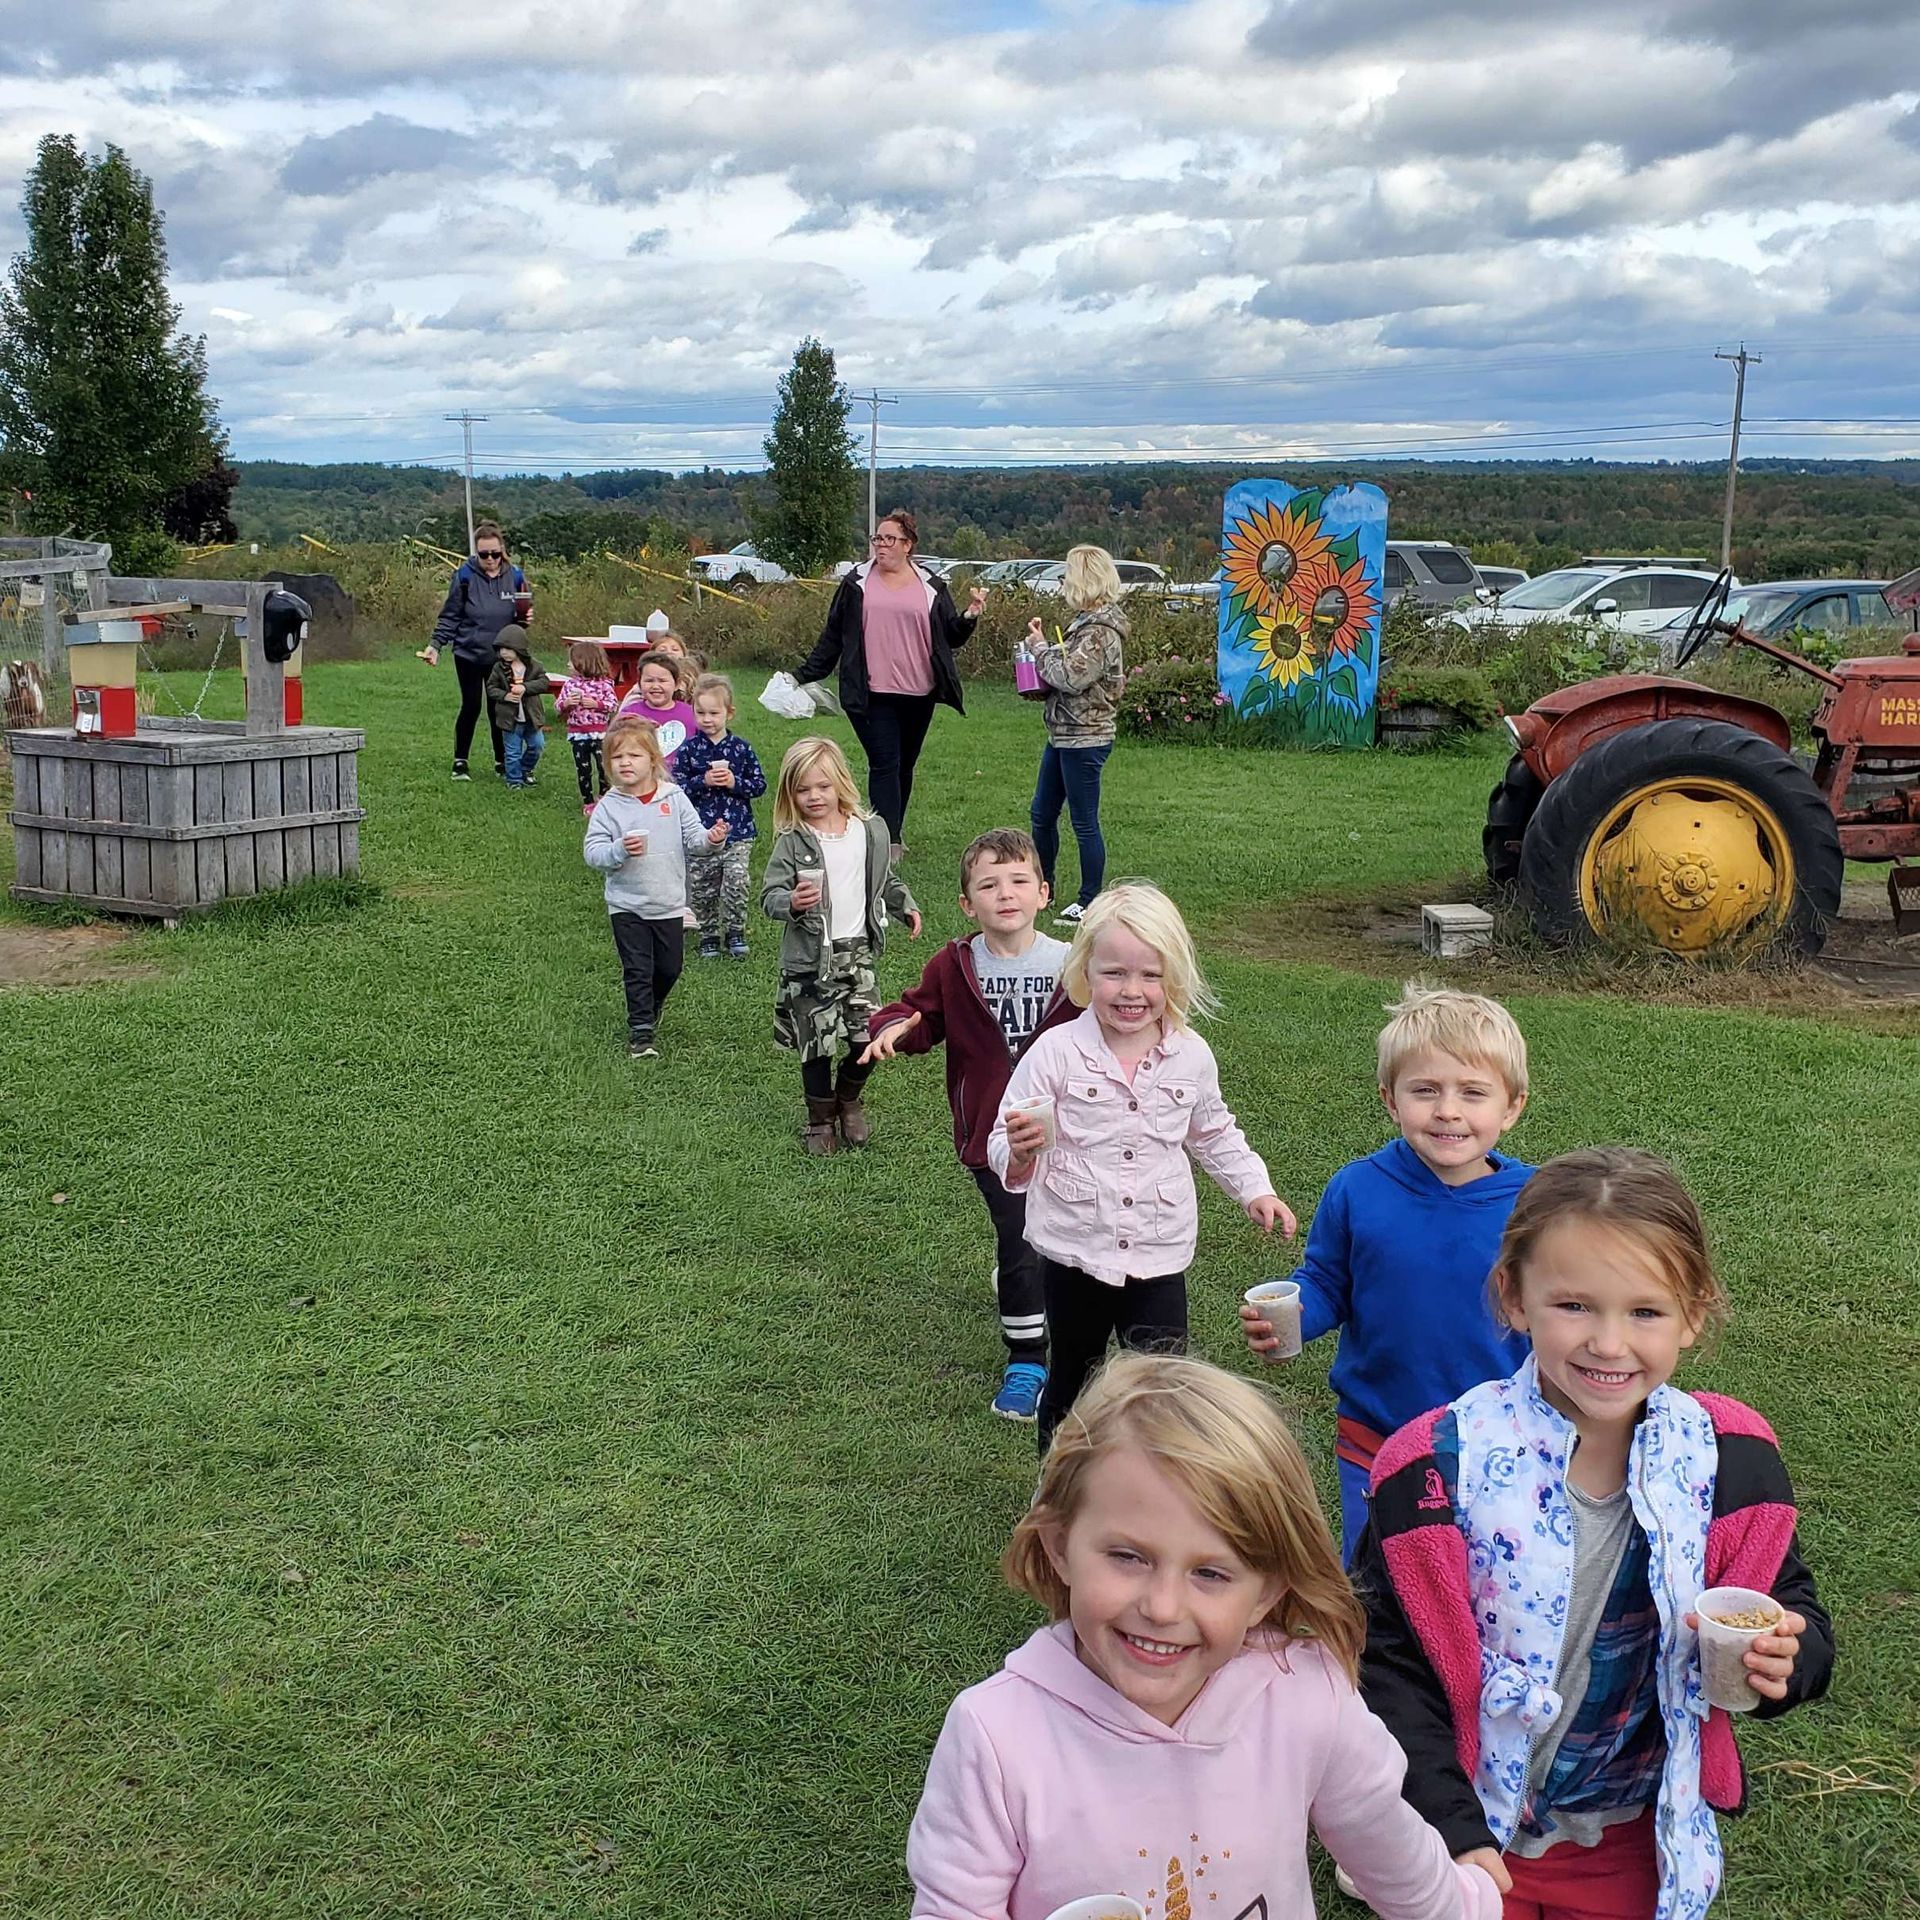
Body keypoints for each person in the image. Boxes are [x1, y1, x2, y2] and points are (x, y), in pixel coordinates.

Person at [1356, 1148, 1834, 1920]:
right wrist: (1449, 1821)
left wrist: (1792, 1655)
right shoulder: (1435, 1467)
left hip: (1632, 1836)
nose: (1609, 1344)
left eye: (1645, 1312)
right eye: (1574, 1305)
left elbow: (1785, 1601)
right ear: (1513, 1297)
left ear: (1694, 1313)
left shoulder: (1732, 1459)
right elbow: (1385, 1660)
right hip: (1473, 1831)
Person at [907, 1351, 1505, 1920]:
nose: (1163, 1607)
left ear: (1267, 1589)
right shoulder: (996, 1735)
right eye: (1127, 1556)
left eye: (1210, 1573)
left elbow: (1392, 1851)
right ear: (1060, 1546)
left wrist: (1472, 1900)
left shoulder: (1304, 1699)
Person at [987, 882, 1295, 1450]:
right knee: (1073, 1378)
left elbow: (1213, 1130)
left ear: (1173, 978)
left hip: (1158, 1252)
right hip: (1074, 1249)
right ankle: (1057, 1492)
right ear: (1084, 972)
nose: (1133, 991)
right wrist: (1021, 1150)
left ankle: (1150, 1491)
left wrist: (1255, 1187)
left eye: (1150, 976)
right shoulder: (1055, 1052)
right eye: (1114, 974)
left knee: (1161, 1385)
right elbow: (1001, 1139)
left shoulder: (1190, 1055)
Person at [1240, 985, 1534, 1563]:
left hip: (1504, 1439)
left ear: (1511, 1106)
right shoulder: (1358, 1188)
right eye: (1425, 1090)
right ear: (1390, 1099)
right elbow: (1327, 1280)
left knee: (1492, 1575)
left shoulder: (1536, 1204)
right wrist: (1296, 1315)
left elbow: (1565, 1305)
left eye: (1472, 1093)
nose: (1448, 1110)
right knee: (1378, 1578)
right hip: (1377, 1437)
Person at [861, 828, 1078, 1422]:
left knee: (1069, 1238)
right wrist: (894, 1026)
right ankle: (1028, 1359)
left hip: (1073, 1136)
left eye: (1017, 882)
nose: (1003, 894)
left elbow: (1112, 1023)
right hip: (994, 1136)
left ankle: (1062, 1315)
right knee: (1022, 1239)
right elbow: (919, 1011)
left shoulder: (1074, 964)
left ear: (1043, 893)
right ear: (967, 903)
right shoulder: (956, 966)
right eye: (988, 884)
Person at [760, 736, 921, 1154]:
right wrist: (791, 902)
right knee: (816, 1043)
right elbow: (769, 896)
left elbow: (883, 880)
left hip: (858, 953)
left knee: (866, 1037)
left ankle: (847, 1099)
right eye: (802, 789)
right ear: (790, 794)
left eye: (822, 786)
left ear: (841, 784)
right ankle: (819, 1119)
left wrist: (905, 906)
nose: (814, 796)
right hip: (810, 960)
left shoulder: (870, 832)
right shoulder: (792, 842)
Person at [795, 508, 987, 858]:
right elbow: (833, 635)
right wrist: (804, 674)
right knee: (884, 762)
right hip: (871, 693)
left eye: (889, 539)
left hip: (919, 693)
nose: (880, 546)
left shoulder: (930, 585)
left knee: (904, 765)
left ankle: (892, 828)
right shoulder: (857, 583)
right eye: (877, 539)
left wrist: (970, 615)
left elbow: (950, 636)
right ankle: (889, 841)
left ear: (908, 545)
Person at [583, 716, 712, 1058]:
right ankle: (641, 1033)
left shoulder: (675, 797)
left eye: (634, 756)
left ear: (654, 760)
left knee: (669, 968)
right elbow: (593, 852)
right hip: (626, 904)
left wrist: (711, 839)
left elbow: (695, 839)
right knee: (637, 969)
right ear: (608, 764)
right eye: (617, 757)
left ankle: (650, 1007)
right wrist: (619, 849)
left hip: (669, 902)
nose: (625, 762)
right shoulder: (610, 805)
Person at [1025, 544, 1128, 927]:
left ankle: (1090, 900)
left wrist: (1040, 650)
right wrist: (1048, 655)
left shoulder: (1100, 631)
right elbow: (1069, 669)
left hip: (1086, 736)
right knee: (1042, 813)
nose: (1064, 582)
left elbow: (1071, 676)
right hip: (1064, 733)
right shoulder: (1085, 626)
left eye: (1068, 575)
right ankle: (1044, 885)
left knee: (1084, 820)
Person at [423, 519, 528, 780]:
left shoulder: (515, 576)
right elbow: (451, 615)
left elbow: (521, 619)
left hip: (501, 657)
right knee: (471, 705)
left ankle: (502, 762)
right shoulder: (465, 576)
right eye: (484, 555)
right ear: (476, 553)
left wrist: (525, 621)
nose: (490, 559)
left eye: (495, 553)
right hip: (469, 653)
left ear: (502, 550)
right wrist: (436, 645)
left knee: (499, 708)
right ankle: (461, 761)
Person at [678, 673, 767, 961]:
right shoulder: (690, 749)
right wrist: (702, 780)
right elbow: (676, 787)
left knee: (736, 880)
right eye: (700, 712)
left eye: (714, 713)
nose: (707, 719)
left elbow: (759, 785)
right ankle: (708, 934)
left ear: (729, 713)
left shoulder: (741, 748)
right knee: (704, 886)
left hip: (738, 830)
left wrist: (733, 782)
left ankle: (736, 931)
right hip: (701, 832)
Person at [556, 639, 617, 815]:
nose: (568, 664)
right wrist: (566, 704)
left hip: (599, 734)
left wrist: (597, 704)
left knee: (603, 767)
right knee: (583, 768)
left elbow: (612, 705)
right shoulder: (569, 684)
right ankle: (588, 801)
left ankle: (605, 797)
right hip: (578, 734)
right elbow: (558, 707)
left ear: (584, 662)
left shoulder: (604, 684)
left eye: (571, 661)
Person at [485, 632, 550, 790]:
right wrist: (505, 696)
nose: (504, 652)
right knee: (512, 751)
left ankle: (526, 769)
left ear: (519, 648)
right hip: (510, 720)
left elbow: (544, 682)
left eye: (508, 648)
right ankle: (514, 780)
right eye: (501, 649)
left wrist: (525, 687)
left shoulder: (534, 666)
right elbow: (491, 688)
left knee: (537, 745)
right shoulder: (498, 668)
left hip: (532, 718)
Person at [616, 654, 700, 776]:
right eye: (649, 680)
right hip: (641, 781)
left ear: (677, 684)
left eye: (662, 680)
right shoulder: (629, 715)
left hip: (683, 782)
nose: (655, 686)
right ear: (639, 684)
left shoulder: (691, 714)